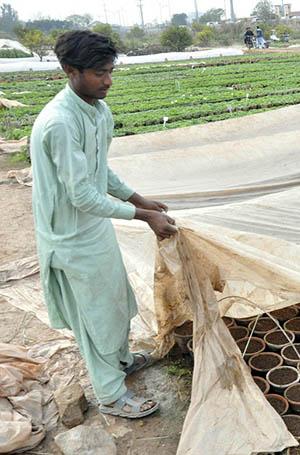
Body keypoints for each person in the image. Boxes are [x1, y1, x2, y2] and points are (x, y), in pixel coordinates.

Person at [30, 30, 177, 419]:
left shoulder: (97, 110)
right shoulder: (59, 123)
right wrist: (144, 217)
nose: (108, 81)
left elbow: (99, 170)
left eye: (110, 71)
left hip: (93, 227)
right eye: (99, 73)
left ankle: (123, 360)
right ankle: (111, 394)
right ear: (70, 71)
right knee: (91, 315)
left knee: (114, 300)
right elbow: (81, 195)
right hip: (70, 235)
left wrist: (138, 199)